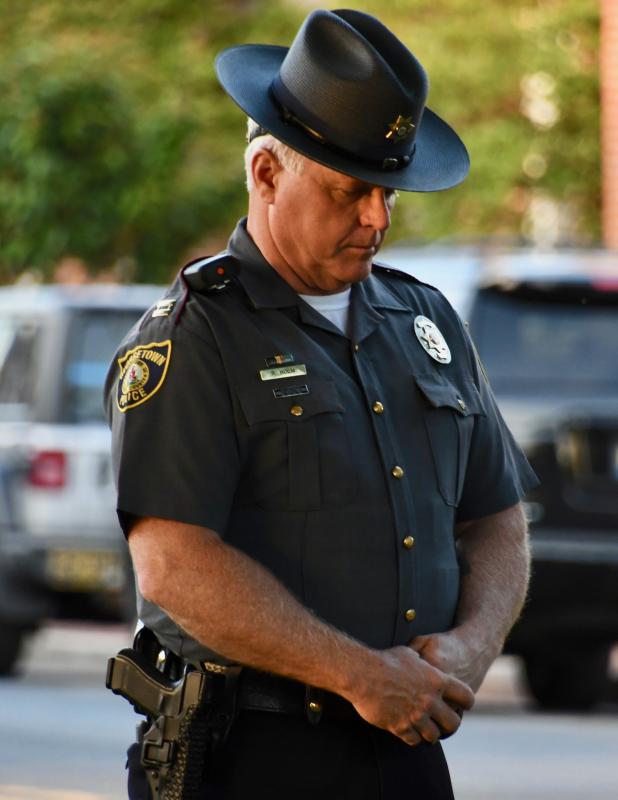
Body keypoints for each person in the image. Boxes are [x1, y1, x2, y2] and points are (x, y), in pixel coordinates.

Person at [106, 9, 538, 799]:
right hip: (248, 757)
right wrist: (360, 674)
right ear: (267, 174)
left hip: (404, 753)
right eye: (350, 193)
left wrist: (474, 646)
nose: (376, 219)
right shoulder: (196, 337)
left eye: (388, 194)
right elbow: (173, 564)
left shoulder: (425, 320)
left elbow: (497, 517)